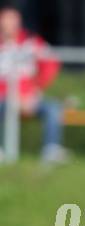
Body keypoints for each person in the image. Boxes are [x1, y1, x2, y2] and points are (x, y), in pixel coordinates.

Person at [0, 5, 67, 163]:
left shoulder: (31, 43)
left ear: (19, 21)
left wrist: (35, 89)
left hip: (28, 98)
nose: (8, 23)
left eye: (12, 19)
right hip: (3, 98)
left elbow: (51, 63)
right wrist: (9, 97)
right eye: (5, 19)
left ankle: (51, 149)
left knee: (53, 108)